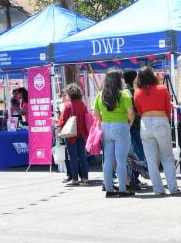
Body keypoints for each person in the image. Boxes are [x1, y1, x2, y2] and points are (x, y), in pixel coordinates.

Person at [134, 64, 180, 196]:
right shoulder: (162, 89)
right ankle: (173, 188)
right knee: (167, 157)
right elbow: (167, 108)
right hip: (161, 121)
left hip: (145, 123)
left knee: (151, 160)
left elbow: (140, 111)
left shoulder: (137, 92)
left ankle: (158, 189)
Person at [93, 68, 134, 197]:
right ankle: (122, 189)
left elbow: (95, 114)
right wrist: (129, 124)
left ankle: (109, 189)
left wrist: (103, 121)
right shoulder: (124, 94)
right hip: (121, 125)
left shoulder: (100, 95)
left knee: (108, 161)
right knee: (121, 161)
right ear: (118, 80)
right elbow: (131, 113)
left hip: (106, 127)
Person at [57, 84, 90, 186]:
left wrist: (58, 132)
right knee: (83, 156)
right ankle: (85, 178)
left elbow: (62, 121)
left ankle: (75, 178)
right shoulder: (83, 104)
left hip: (71, 134)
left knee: (73, 157)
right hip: (83, 133)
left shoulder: (68, 105)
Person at [121, 68, 147, 192]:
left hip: (125, 125)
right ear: (134, 78)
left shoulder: (122, 92)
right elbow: (135, 111)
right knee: (136, 153)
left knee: (130, 153)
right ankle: (133, 180)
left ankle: (134, 179)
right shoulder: (132, 92)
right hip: (134, 125)